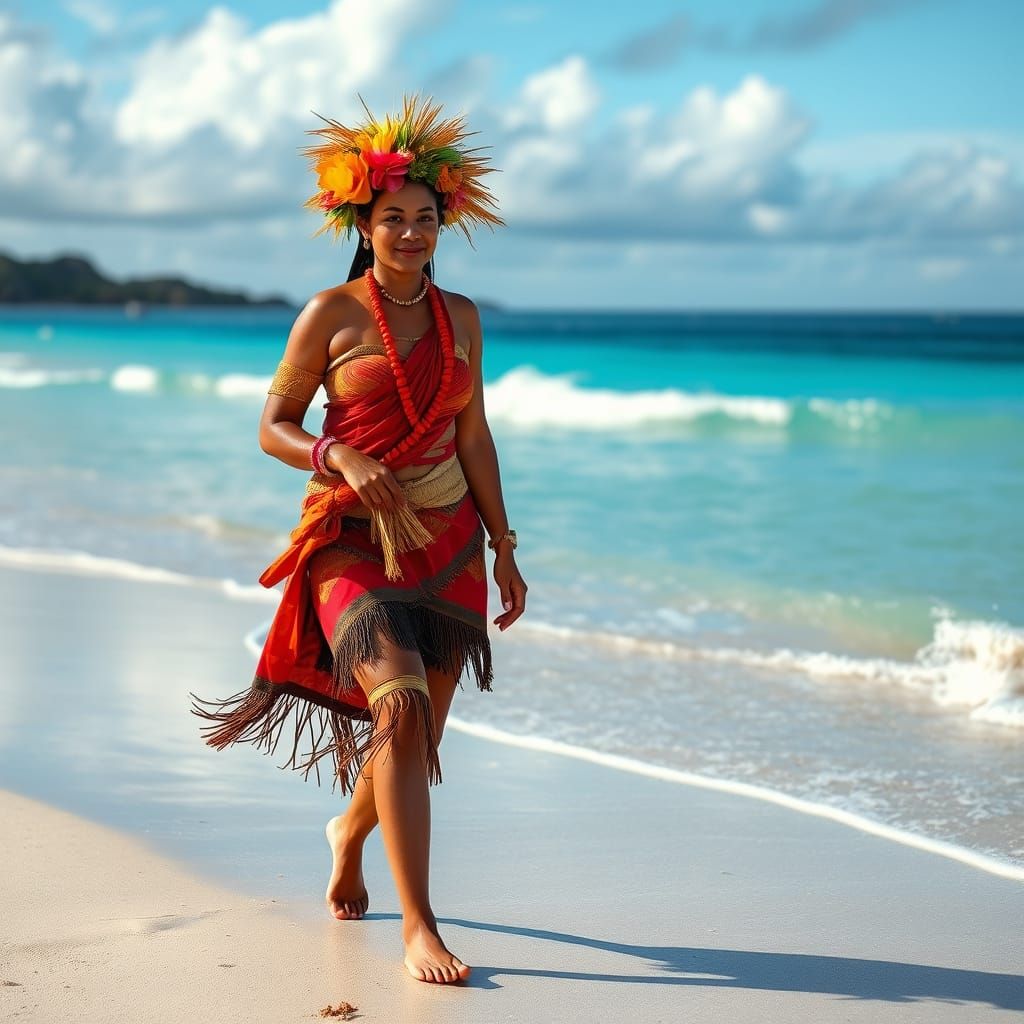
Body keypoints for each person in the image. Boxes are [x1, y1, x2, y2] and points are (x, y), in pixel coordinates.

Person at [191, 95, 527, 984]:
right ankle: (420, 926)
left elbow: (476, 434)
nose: (411, 234)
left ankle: (348, 829)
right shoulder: (330, 315)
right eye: (393, 219)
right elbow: (273, 425)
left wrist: (505, 544)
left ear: (441, 223)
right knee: (403, 711)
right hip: (351, 540)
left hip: (449, 541)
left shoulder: (463, 317)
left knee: (411, 741)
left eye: (425, 219)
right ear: (363, 222)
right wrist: (334, 451)